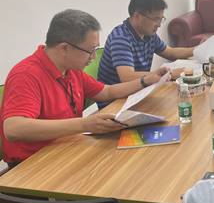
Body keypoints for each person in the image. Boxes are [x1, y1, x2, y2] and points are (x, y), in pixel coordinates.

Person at [0, 9, 168, 167]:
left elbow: (106, 92)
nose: (93, 57)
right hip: (33, 164)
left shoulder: (70, 69)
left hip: (66, 148)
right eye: (90, 50)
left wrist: (146, 80)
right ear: (64, 48)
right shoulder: (27, 75)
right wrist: (84, 125)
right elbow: (14, 128)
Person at [98, 0, 193, 90]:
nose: (159, 25)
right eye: (156, 19)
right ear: (137, 16)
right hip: (116, 97)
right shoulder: (120, 38)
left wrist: (197, 50)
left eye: (161, 19)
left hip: (138, 91)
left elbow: (170, 52)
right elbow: (127, 77)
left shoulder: (149, 35)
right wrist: (170, 74)